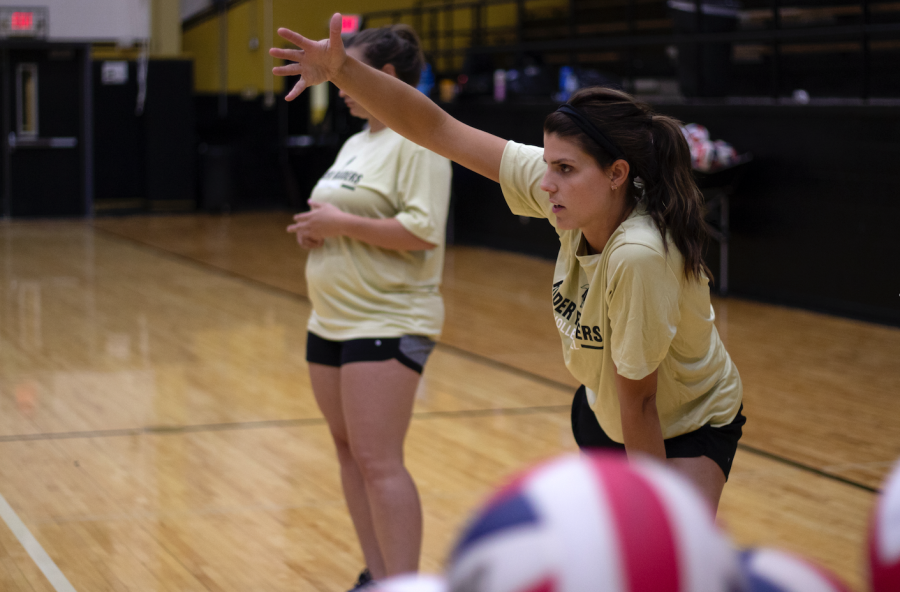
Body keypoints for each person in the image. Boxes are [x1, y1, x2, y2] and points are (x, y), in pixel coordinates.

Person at [271, 14, 745, 512]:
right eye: (547, 164)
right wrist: (344, 71)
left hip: (689, 419)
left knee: (667, 562)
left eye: (564, 169)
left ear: (616, 174)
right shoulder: (565, 190)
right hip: (604, 411)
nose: (546, 183)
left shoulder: (638, 255)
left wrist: (653, 522)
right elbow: (437, 128)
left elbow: (643, 402)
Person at [282, 24, 452, 589]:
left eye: (346, 71)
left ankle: (403, 583)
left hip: (388, 319)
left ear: (389, 77)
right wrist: (320, 231)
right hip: (329, 318)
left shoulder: (420, 140)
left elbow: (423, 231)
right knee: (349, 451)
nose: (340, 84)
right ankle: (376, 576)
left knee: (380, 461)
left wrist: (341, 223)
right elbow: (350, 217)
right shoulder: (358, 140)